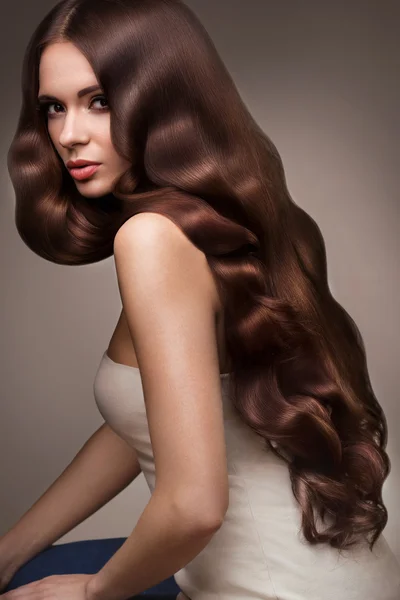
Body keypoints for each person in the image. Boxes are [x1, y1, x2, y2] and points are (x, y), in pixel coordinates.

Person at [3, 0, 400, 599]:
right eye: (52, 108)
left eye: (99, 101)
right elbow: (142, 420)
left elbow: (193, 506)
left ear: (160, 97)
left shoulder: (151, 238)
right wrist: (11, 550)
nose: (68, 134)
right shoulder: (256, 218)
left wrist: (91, 594)